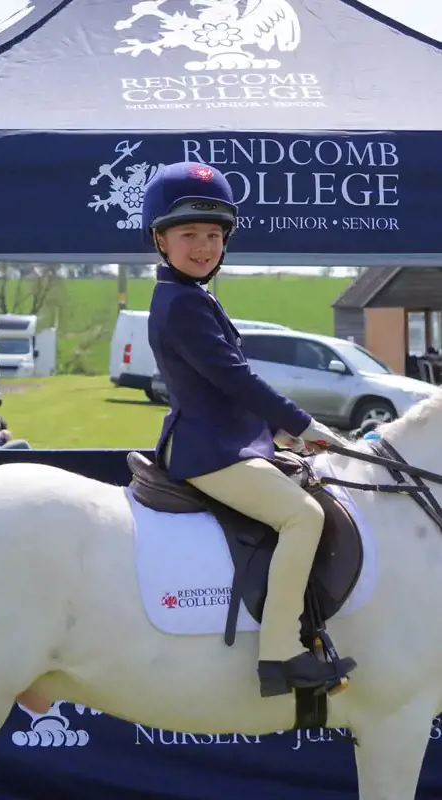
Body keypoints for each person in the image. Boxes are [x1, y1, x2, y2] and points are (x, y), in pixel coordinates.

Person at [142, 162, 357, 698]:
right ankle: (279, 654)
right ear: (160, 240)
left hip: (232, 441)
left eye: (213, 235)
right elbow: (235, 380)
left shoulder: (194, 296)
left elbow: (225, 389)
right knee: (302, 518)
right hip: (210, 452)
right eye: (189, 234)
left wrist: (278, 436)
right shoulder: (182, 303)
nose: (204, 246)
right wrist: (306, 426)